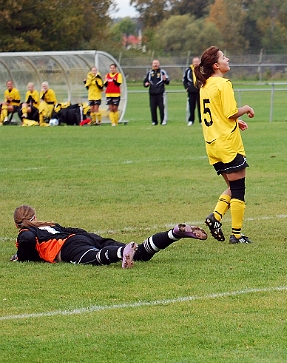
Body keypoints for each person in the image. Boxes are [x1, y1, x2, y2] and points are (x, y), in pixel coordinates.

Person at [10, 205, 207, 268]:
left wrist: (21, 256)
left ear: (16, 223)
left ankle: (122, 252)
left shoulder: (26, 232)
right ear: (35, 216)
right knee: (140, 253)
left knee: (94, 259)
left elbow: (27, 242)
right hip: (83, 237)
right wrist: (89, 237)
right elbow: (75, 230)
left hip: (68, 247)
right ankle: (173, 233)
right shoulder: (49, 224)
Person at [195, 46, 255, 244]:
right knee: (238, 190)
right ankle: (236, 235)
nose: (227, 59)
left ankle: (216, 217)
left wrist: (236, 122)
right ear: (216, 65)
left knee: (231, 187)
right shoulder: (222, 84)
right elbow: (229, 111)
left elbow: (216, 114)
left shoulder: (205, 85)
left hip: (213, 145)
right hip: (228, 144)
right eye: (223, 57)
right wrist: (245, 109)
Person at [143, 59, 169, 125]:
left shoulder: (162, 72)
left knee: (161, 108)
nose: (155, 65)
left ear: (159, 64)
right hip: (152, 93)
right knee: (153, 108)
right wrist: (146, 84)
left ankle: (163, 120)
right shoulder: (149, 73)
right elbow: (145, 82)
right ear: (152, 64)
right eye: (154, 63)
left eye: (157, 63)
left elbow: (167, 81)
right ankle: (154, 121)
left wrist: (165, 79)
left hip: (160, 93)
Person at [183, 56, 201, 126]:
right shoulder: (188, 70)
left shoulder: (202, 70)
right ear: (192, 63)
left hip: (200, 91)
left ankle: (201, 120)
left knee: (201, 107)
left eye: (197, 62)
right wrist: (186, 87)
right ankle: (191, 120)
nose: (196, 63)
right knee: (191, 107)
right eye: (194, 62)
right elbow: (184, 80)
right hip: (191, 92)